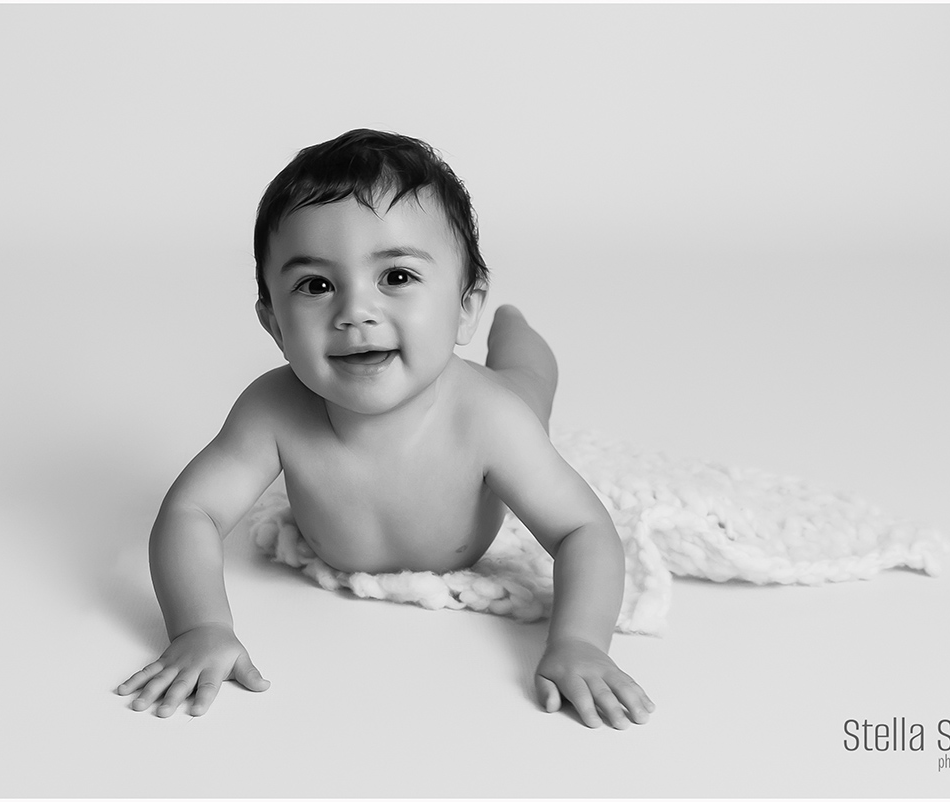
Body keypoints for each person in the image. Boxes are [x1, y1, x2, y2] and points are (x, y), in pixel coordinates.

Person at [117, 129, 654, 729]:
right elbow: (192, 512)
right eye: (316, 286)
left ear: (462, 307)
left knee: (524, 377)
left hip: (498, 399)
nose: (355, 312)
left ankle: (513, 324)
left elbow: (584, 528)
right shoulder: (273, 410)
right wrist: (200, 626)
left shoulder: (490, 421)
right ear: (273, 322)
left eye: (396, 276)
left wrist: (580, 641)